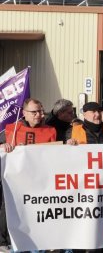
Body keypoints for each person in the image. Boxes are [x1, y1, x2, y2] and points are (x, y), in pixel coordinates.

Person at [0, 98, 57, 252]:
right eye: (34, 112)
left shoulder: (51, 130)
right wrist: (3, 145)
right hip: (15, 179)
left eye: (40, 111)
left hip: (39, 180)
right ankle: (3, 242)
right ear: (24, 113)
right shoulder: (12, 129)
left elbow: (57, 153)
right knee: (9, 207)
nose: (39, 114)